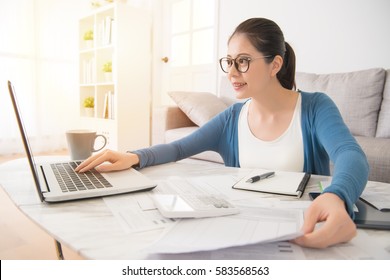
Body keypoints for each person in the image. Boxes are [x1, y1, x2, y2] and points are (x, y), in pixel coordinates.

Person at [76, 18, 369, 249]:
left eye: (242, 61)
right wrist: (133, 156)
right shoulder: (232, 118)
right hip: (245, 233)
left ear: (275, 65)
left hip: (304, 231)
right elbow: (179, 149)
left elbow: (349, 154)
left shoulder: (315, 107)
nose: (231, 72)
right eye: (229, 61)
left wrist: (337, 196)